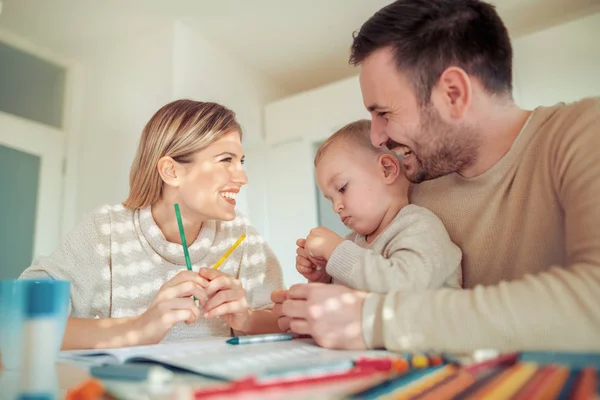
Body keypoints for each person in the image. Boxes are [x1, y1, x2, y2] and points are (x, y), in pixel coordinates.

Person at [274, 0, 600, 352]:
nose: (377, 137)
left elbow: (592, 304)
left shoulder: (583, 134)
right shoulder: (414, 177)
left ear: (453, 94)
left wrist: (375, 320)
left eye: (384, 113)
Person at [21, 99, 285, 350]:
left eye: (240, 162)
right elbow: (17, 323)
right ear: (172, 171)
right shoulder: (105, 232)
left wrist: (248, 319)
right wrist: (140, 327)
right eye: (226, 160)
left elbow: (284, 323)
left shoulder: (243, 238)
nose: (242, 177)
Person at [296, 119, 461, 292]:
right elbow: (346, 302)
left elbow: (406, 288)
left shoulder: (420, 227)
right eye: (330, 199)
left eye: (342, 188)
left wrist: (336, 252)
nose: (336, 207)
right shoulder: (352, 243)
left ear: (386, 169)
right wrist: (323, 277)